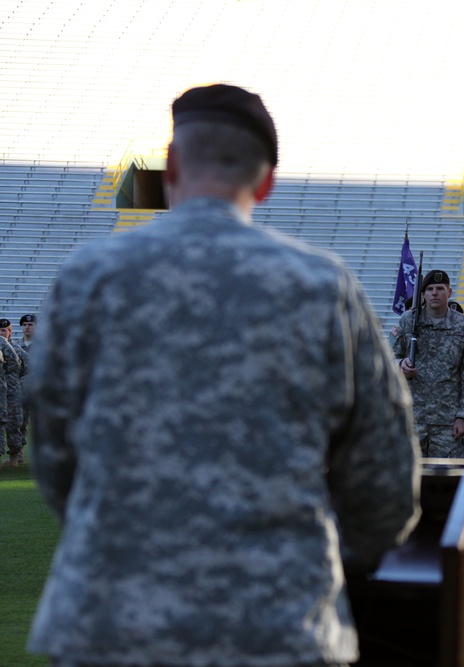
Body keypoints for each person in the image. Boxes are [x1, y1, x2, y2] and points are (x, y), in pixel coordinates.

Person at [26, 84, 421, 667]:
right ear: (266, 183)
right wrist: (320, 557)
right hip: (276, 626)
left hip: (110, 624)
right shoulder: (322, 287)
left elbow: (56, 456)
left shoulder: (88, 278)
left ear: (172, 166)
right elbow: (385, 483)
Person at [390, 270, 464, 458]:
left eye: (440, 288)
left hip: (447, 421)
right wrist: (400, 364)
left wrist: (463, 416)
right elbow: (387, 359)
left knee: (445, 480)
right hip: (412, 417)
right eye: (430, 289)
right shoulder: (409, 321)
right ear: (423, 294)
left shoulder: (463, 325)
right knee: (409, 476)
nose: (435, 293)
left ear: (449, 292)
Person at [0, 319, 27, 467]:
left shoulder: (16, 348)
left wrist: (8, 375)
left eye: (4, 330)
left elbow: (25, 366)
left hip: (11, 391)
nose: (1, 333)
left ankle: (15, 456)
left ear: (10, 332)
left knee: (13, 424)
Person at [16, 314, 35, 448]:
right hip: (21, 387)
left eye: (30, 324)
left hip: (40, 387)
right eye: (24, 325)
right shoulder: (16, 345)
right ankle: (19, 452)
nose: (27, 327)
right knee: (20, 420)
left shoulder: (44, 344)